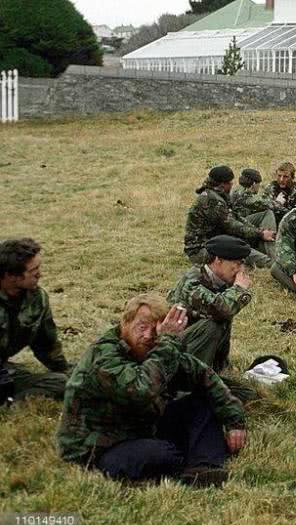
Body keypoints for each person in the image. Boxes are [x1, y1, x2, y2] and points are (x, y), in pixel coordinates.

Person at [57, 294, 245, 486]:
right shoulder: (105, 356)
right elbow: (141, 391)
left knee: (201, 404)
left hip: (138, 429)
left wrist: (234, 422)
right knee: (166, 454)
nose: (148, 336)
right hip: (97, 450)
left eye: (155, 331)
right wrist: (167, 343)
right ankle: (187, 462)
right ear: (125, 324)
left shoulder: (159, 349)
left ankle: (203, 469)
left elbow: (204, 376)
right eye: (142, 327)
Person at [167, 235, 252, 372]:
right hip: (172, 350)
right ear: (218, 260)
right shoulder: (192, 283)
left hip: (192, 343)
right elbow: (222, 309)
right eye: (237, 264)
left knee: (219, 320)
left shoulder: (220, 281)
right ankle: (197, 376)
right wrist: (239, 290)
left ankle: (218, 367)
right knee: (213, 323)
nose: (240, 270)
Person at [0, 237, 70, 402]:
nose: (40, 274)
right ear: (12, 276)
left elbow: (46, 344)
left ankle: (10, 400)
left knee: (63, 382)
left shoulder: (37, 299)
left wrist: (64, 370)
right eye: (34, 270)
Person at [183, 165, 274, 269]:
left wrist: (258, 231)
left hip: (215, 239)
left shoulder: (216, 195)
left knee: (264, 217)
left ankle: (271, 252)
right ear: (222, 185)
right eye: (230, 183)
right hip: (201, 250)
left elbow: (236, 217)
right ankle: (272, 263)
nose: (232, 186)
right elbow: (232, 226)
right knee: (239, 248)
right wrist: (260, 233)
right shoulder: (213, 200)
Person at [229, 168, 278, 237]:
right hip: (239, 225)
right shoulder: (242, 192)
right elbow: (261, 203)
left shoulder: (239, 190)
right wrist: (278, 201)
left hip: (239, 222)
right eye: (259, 184)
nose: (259, 187)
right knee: (267, 213)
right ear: (254, 184)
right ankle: (270, 245)